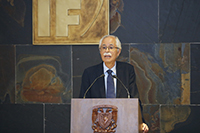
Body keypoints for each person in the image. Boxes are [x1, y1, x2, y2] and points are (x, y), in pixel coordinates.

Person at [79, 35, 149, 133]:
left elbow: (134, 100)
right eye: (103, 47)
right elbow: (83, 102)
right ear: (100, 51)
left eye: (111, 47)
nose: (107, 51)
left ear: (118, 51)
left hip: (123, 124)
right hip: (97, 126)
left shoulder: (127, 71)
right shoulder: (90, 73)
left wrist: (140, 122)